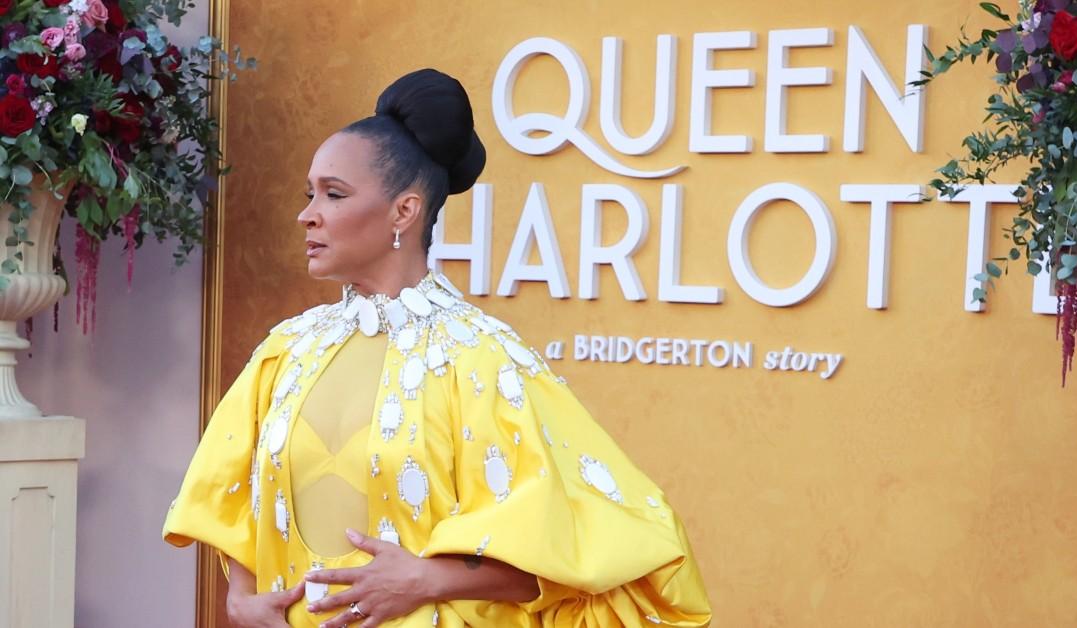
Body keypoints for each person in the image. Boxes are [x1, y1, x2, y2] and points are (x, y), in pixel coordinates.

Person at [162, 68, 712, 627]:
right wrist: (242, 601)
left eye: (334, 193)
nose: (308, 213)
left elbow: (568, 549)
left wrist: (427, 577)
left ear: (405, 211)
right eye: (310, 194)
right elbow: (231, 494)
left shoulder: (484, 359)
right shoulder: (287, 350)